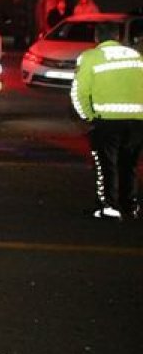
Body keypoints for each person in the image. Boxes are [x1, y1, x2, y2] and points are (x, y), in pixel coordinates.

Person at [70, 22, 143, 220]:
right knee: (129, 165)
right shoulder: (136, 56)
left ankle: (109, 207)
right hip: (137, 120)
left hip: (106, 120)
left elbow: (79, 92)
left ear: (96, 37)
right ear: (118, 36)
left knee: (106, 165)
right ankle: (130, 206)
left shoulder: (90, 57)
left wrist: (88, 116)